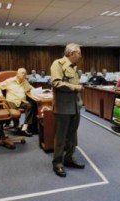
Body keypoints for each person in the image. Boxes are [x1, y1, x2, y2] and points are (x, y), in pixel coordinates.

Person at [50, 43, 85, 178]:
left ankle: (69, 158)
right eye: (79, 53)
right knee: (61, 136)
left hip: (75, 106)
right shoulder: (57, 64)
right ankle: (57, 163)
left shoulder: (74, 67)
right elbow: (56, 83)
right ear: (71, 53)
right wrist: (76, 88)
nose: (80, 56)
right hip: (63, 107)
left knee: (72, 135)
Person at [0, 68, 35, 136]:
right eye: (22, 73)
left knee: (30, 106)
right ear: (17, 74)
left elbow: (31, 88)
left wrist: (40, 92)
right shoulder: (10, 81)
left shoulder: (25, 81)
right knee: (14, 112)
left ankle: (24, 128)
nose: (24, 74)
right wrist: (1, 95)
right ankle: (16, 126)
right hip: (11, 101)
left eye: (25, 73)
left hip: (21, 101)